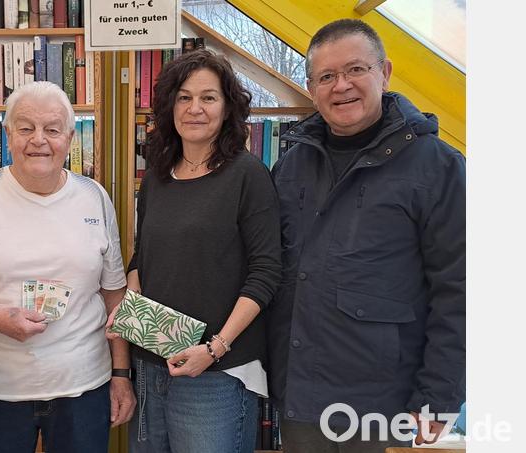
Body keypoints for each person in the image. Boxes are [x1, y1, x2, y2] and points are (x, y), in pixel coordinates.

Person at [268, 19, 465, 452]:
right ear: (311, 87)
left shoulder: (438, 167)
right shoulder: (292, 165)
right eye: (326, 77)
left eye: (355, 70)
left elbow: (461, 290)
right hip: (300, 400)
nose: (342, 86)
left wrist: (438, 398)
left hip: (382, 408)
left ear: (385, 72)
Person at [0, 81, 135, 453]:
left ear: (70, 138)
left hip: (83, 388)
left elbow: (113, 293)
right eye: (26, 128)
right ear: (8, 135)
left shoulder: (95, 197)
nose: (39, 139)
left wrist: (121, 374)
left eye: (52, 129)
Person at [114, 49, 282, 453]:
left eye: (208, 97)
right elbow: (143, 259)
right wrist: (127, 315)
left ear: (227, 108)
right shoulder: (156, 178)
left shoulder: (248, 175)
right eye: (185, 97)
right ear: (170, 105)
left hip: (216, 372)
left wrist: (215, 348)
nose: (195, 108)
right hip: (151, 363)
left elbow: (266, 271)